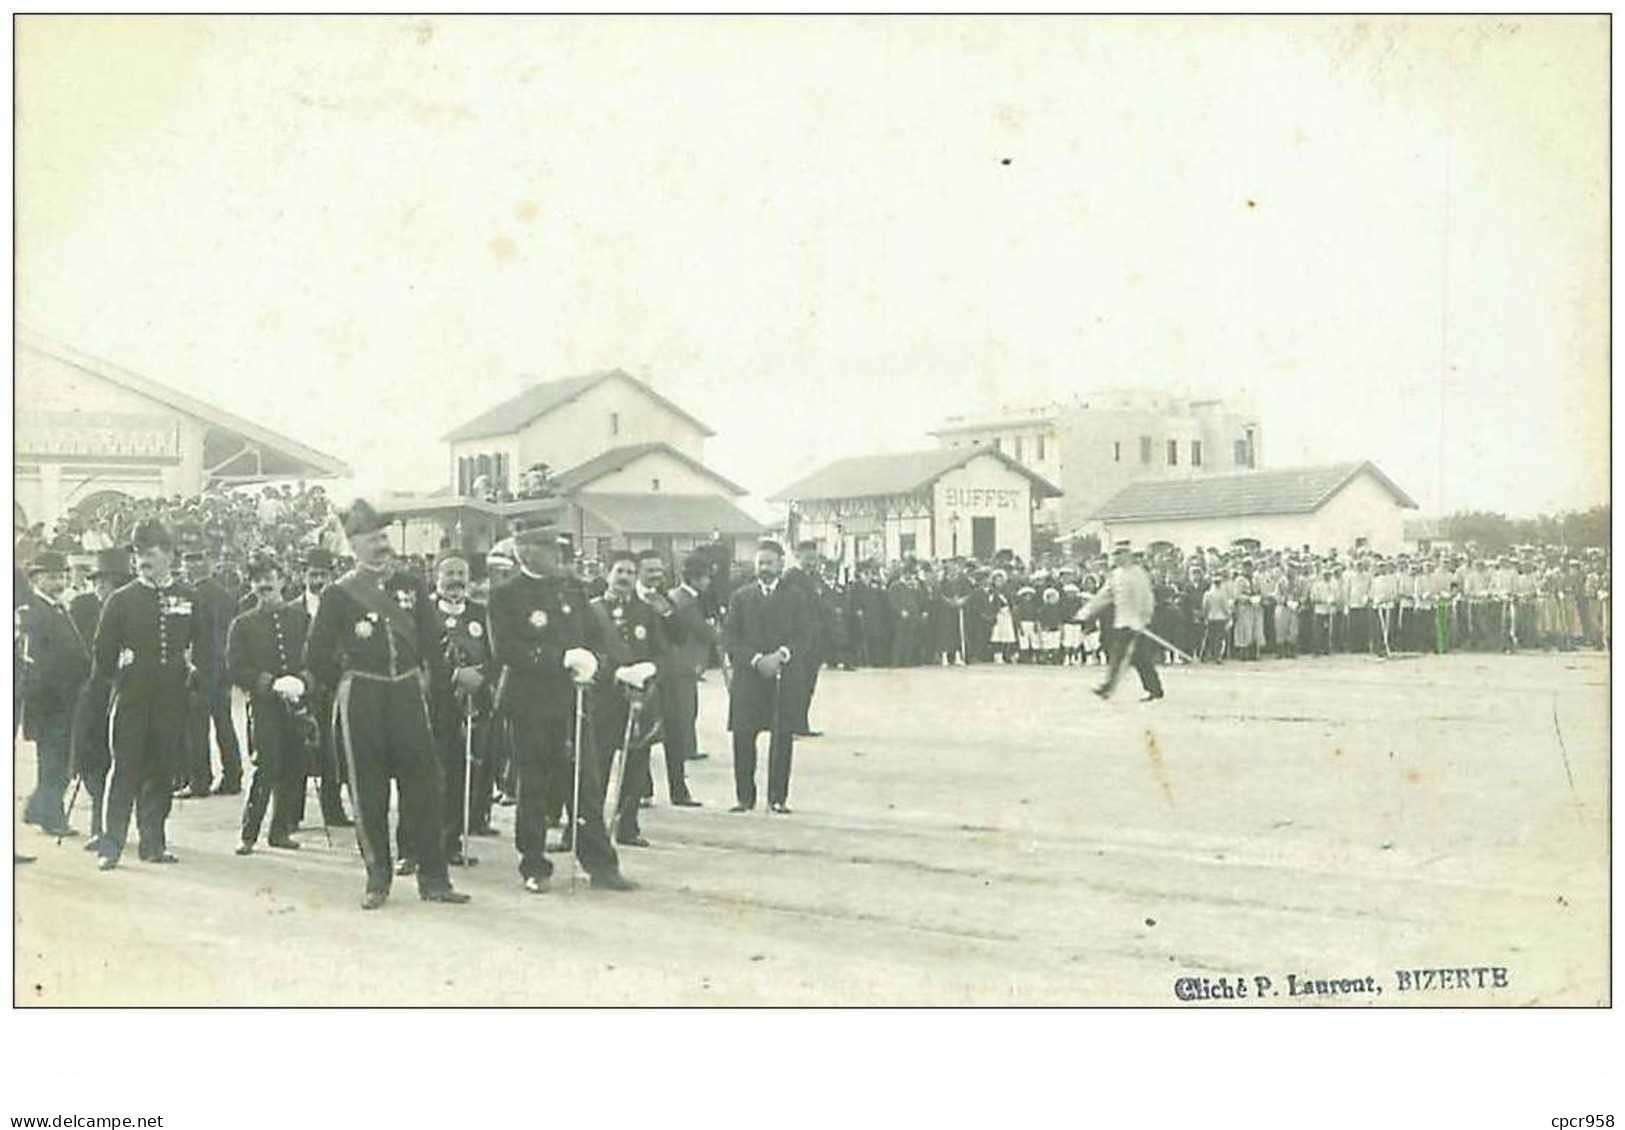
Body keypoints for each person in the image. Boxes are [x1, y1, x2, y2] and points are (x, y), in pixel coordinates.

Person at [302, 500, 469, 910]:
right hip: (364, 696)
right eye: (371, 540)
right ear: (353, 546)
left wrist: (433, 685)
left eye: (383, 538)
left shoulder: (410, 584)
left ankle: (435, 879)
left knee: (425, 787)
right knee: (369, 790)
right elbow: (315, 655)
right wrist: (343, 681)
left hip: (408, 693)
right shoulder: (339, 594)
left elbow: (432, 642)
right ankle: (378, 878)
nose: (381, 546)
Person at [486, 518, 632, 893]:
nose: (558, 556)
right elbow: (506, 650)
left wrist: (594, 664)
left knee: (584, 783)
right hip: (529, 703)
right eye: (550, 549)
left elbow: (596, 638)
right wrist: (560, 658)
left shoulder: (572, 590)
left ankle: (599, 863)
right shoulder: (506, 594)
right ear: (526, 551)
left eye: (558, 549)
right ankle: (534, 865)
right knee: (533, 786)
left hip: (574, 700)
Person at [93, 519, 201, 870]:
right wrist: (120, 670)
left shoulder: (187, 596)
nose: (143, 560)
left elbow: (201, 643)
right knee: (124, 770)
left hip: (171, 699)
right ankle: (111, 846)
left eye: (151, 553)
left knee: (161, 769)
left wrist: (193, 668)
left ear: (169, 554)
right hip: (131, 699)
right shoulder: (121, 600)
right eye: (138, 554)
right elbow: (102, 653)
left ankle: (152, 844)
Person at [587, 550, 673, 846]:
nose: (624, 577)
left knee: (636, 766)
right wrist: (613, 672)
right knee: (596, 765)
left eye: (630, 572)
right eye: (619, 571)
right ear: (607, 573)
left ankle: (627, 827)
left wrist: (649, 670)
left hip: (640, 698)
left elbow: (662, 652)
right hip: (603, 698)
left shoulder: (647, 612)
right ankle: (587, 830)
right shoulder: (592, 611)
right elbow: (582, 653)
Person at [724, 539, 815, 813]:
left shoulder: (796, 597)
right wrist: (755, 660)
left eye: (770, 563)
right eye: (760, 563)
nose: (764, 568)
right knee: (743, 736)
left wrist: (781, 655)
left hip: (783, 676)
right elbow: (730, 636)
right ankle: (744, 797)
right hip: (748, 677)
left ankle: (777, 797)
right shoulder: (740, 597)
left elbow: (805, 634)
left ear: (780, 565)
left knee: (782, 736)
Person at [228, 556, 310, 855]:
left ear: (282, 581)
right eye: (258, 580)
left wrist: (303, 682)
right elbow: (235, 667)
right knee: (266, 765)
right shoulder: (243, 624)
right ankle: (249, 833)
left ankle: (280, 831)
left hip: (297, 704)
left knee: (294, 764)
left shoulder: (301, 619)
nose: (265, 584)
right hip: (264, 706)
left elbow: (316, 658)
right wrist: (268, 683)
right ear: (252, 585)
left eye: (270, 578)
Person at [18, 551, 93, 838]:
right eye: (51, 577)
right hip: (50, 701)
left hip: (67, 699)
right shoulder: (33, 613)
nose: (58, 581)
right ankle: (51, 817)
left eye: (61, 576)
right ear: (36, 579)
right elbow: (38, 663)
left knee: (59, 760)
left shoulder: (59, 608)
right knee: (55, 763)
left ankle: (40, 809)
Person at [68, 547, 132, 852]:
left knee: (118, 762)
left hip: (123, 693)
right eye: (98, 582)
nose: (101, 588)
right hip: (91, 694)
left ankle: (110, 828)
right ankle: (98, 826)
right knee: (91, 760)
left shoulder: (132, 606)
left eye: (108, 582)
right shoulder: (81, 607)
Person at [291, 546, 352, 831]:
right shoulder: (293, 609)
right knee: (297, 751)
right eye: (313, 575)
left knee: (332, 752)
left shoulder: (343, 608)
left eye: (324, 575)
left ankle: (333, 810)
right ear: (303, 575)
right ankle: (291, 813)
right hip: (300, 688)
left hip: (332, 687)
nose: (318, 581)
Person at [177, 545, 243, 797]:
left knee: (197, 725)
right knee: (224, 722)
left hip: (200, 667)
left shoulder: (192, 595)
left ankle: (199, 780)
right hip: (223, 666)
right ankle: (233, 776)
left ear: (190, 568)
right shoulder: (225, 595)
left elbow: (190, 634)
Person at [660, 553, 715, 807]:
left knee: (687, 710)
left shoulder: (680, 597)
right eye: (706, 577)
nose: (709, 582)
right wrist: (715, 630)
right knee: (684, 712)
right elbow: (701, 631)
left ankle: (688, 747)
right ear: (695, 578)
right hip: (681, 665)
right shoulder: (686, 601)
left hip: (683, 664)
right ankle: (686, 750)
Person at [1080, 545, 1164, 702]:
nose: (1116, 557)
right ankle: (1154, 689)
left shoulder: (1139, 574)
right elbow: (1104, 595)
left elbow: (1147, 598)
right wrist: (1087, 611)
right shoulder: (1116, 575)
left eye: (1119, 554)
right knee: (1138, 658)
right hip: (1122, 622)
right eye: (1114, 554)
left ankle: (1108, 687)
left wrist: (1145, 619)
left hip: (1137, 623)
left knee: (1125, 656)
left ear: (1128, 556)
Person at [780, 540, 828, 735]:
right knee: (794, 685)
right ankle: (790, 726)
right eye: (808, 558)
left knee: (809, 683)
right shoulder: (790, 578)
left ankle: (802, 724)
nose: (811, 562)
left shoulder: (816, 578)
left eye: (814, 559)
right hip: (796, 639)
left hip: (815, 639)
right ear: (797, 556)